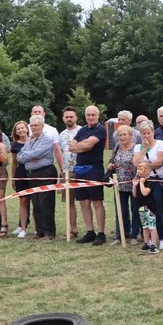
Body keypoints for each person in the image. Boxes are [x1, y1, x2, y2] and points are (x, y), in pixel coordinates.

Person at [69, 105, 108, 245]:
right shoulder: (82, 130)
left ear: (98, 116)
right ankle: (90, 232)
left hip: (95, 168)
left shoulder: (100, 129)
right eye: (88, 115)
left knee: (96, 201)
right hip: (80, 169)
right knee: (84, 202)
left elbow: (87, 146)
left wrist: (80, 145)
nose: (90, 117)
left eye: (93, 115)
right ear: (85, 116)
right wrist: (82, 145)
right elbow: (70, 146)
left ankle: (101, 233)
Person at [18, 115, 57, 240]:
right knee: (36, 203)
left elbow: (36, 153)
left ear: (42, 126)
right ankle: (39, 231)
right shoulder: (29, 141)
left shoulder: (47, 139)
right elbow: (19, 156)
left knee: (45, 203)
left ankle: (49, 232)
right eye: (32, 125)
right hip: (32, 174)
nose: (34, 127)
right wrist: (30, 155)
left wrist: (29, 155)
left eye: (36, 125)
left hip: (46, 173)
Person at [133, 120, 163, 247]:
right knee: (143, 210)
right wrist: (144, 149)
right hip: (142, 181)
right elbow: (136, 163)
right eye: (143, 133)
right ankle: (147, 239)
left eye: (148, 133)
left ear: (153, 132)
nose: (146, 136)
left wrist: (145, 167)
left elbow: (160, 162)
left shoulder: (160, 144)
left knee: (157, 210)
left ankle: (162, 237)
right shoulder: (138, 147)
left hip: (155, 181)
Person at [106, 124, 141, 246]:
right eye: (120, 135)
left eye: (124, 134)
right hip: (119, 184)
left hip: (134, 184)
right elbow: (111, 161)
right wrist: (110, 165)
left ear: (130, 135)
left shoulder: (137, 148)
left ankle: (134, 234)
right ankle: (120, 234)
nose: (122, 137)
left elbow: (141, 164)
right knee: (120, 210)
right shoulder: (117, 147)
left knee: (135, 210)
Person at [58, 106, 81, 239]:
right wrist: (61, 173)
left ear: (76, 117)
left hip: (82, 170)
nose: (69, 119)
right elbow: (60, 154)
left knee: (85, 201)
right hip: (67, 172)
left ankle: (91, 230)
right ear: (63, 118)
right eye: (67, 116)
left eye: (71, 116)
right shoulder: (61, 135)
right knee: (69, 202)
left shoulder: (82, 131)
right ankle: (73, 229)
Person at [133, 160, 162, 253]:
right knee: (144, 227)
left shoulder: (150, 181)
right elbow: (134, 195)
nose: (138, 171)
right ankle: (147, 243)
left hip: (150, 207)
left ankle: (154, 245)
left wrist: (141, 183)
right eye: (138, 168)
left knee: (152, 227)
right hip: (141, 207)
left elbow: (145, 193)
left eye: (141, 169)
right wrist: (134, 185)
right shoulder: (139, 181)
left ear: (148, 171)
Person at [9, 120, 32, 238]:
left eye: (22, 128)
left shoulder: (34, 141)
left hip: (33, 173)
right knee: (23, 201)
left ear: (27, 129)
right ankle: (23, 228)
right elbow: (14, 163)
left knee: (36, 201)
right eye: (18, 129)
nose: (21, 130)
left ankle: (38, 228)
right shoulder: (15, 145)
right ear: (16, 131)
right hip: (20, 174)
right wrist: (13, 178)